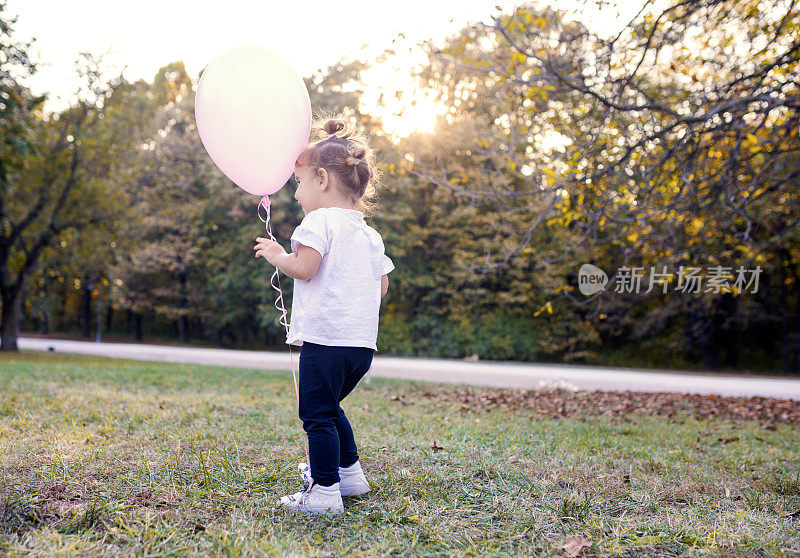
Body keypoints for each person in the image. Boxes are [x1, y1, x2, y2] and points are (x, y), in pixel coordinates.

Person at [253, 116, 394, 516]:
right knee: (331, 408)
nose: (296, 194)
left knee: (315, 414)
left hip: (326, 340)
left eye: (298, 183)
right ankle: (349, 475)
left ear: (321, 179)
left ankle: (324, 493)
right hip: (360, 346)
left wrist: (279, 255)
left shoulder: (318, 221)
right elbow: (381, 286)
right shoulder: (368, 232)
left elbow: (306, 267)